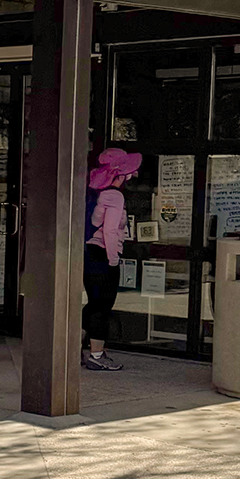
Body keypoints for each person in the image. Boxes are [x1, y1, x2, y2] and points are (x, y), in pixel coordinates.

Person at [82, 146, 141, 371]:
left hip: (89, 253)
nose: (133, 175)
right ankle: (96, 355)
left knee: (92, 303)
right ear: (119, 173)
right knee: (102, 306)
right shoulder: (115, 196)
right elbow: (110, 231)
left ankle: (75, 349)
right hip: (103, 256)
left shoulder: (96, 193)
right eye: (129, 171)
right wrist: (113, 259)